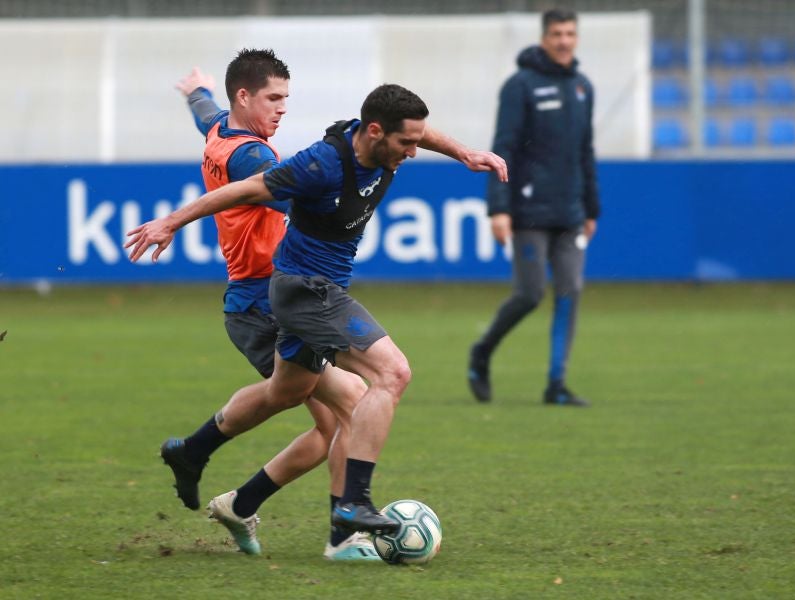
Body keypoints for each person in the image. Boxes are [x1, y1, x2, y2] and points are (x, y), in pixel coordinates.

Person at [126, 84, 507, 544]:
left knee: (286, 391)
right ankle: (351, 507)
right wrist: (171, 221)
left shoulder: (382, 140)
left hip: (307, 290)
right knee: (391, 374)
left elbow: (417, 133)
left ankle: (206, 464)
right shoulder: (319, 165)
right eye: (405, 143)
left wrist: (464, 153)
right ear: (374, 131)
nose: (412, 152)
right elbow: (246, 188)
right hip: (307, 292)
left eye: (415, 142)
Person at [165, 49, 375, 560]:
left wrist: (197, 92)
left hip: (262, 298)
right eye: (273, 98)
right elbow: (299, 196)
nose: (282, 108)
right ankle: (343, 537)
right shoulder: (253, 159)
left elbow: (206, 114)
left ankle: (233, 496)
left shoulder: (222, 130)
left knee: (332, 423)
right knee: (353, 403)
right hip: (266, 301)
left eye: (286, 98)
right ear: (244, 96)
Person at [468, 8, 600, 407]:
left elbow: (585, 151)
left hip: (571, 212)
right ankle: (482, 352)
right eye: (557, 33)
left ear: (577, 38)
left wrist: (591, 208)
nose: (564, 40)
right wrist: (499, 208)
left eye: (570, 33)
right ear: (544, 38)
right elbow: (503, 148)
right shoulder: (520, 85)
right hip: (528, 211)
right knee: (529, 294)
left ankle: (556, 384)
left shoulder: (582, 87)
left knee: (570, 291)